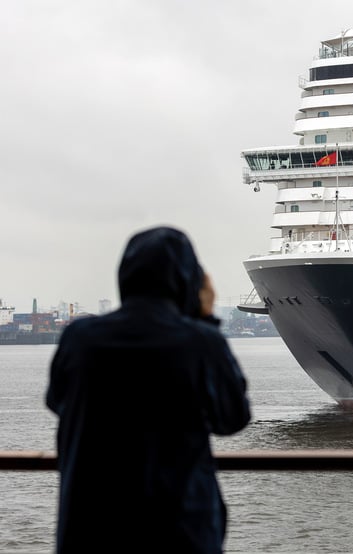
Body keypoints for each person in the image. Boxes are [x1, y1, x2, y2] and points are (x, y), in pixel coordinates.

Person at [46, 226, 251, 554]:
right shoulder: (199, 342)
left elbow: (57, 401)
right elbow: (232, 418)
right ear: (188, 281)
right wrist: (206, 319)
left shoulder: (79, 338)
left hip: (90, 528)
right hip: (179, 530)